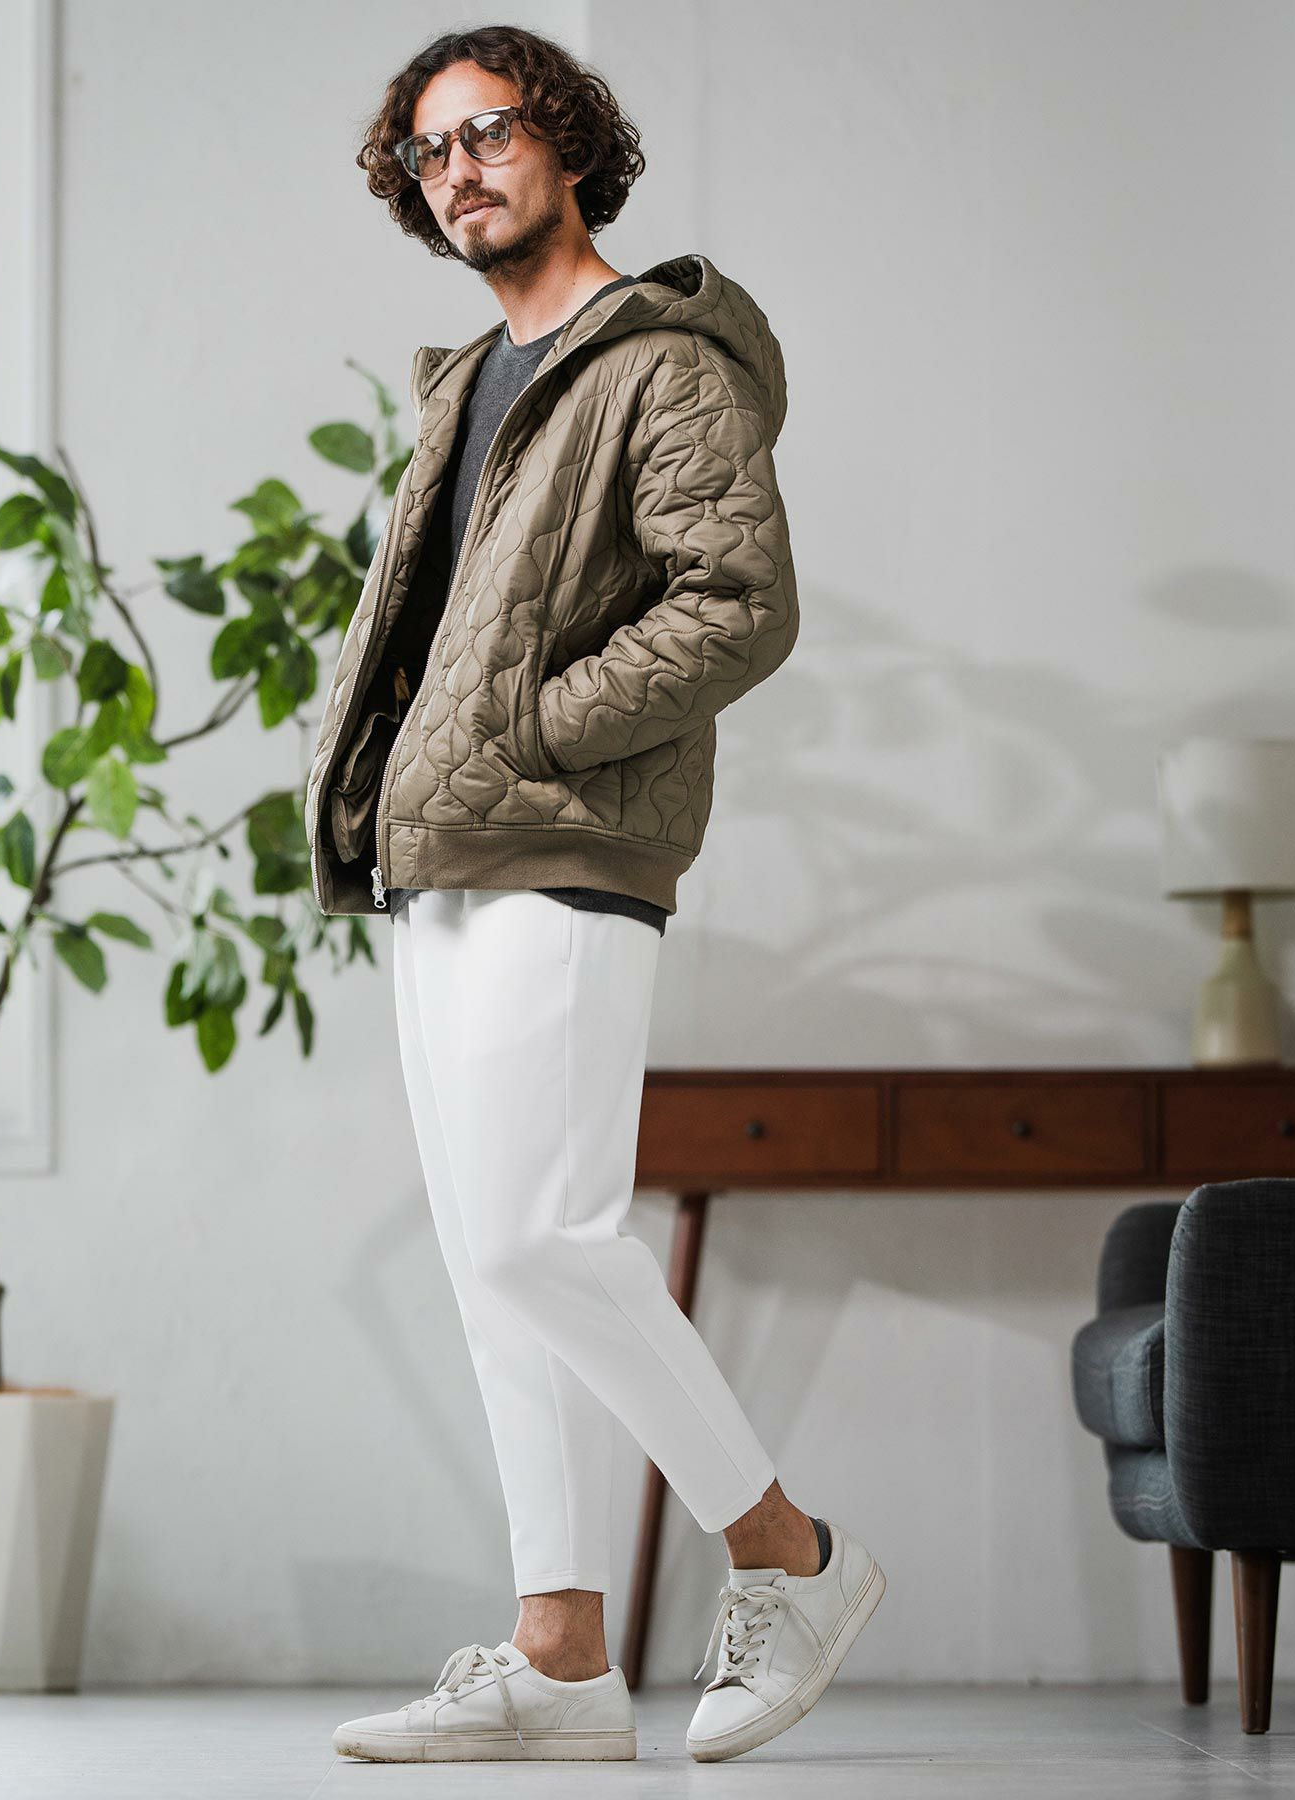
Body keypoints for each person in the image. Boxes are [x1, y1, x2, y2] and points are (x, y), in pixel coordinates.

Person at [304, 23, 884, 1765]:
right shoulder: (467, 383)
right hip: (438, 851)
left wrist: (540, 727)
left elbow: (740, 603)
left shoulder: (663, 362)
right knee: (495, 1273)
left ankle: (790, 1556)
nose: (459, 171)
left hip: (564, 842)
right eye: (429, 152)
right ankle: (558, 1656)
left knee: (539, 1239)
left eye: (490, 132)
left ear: (568, 144)